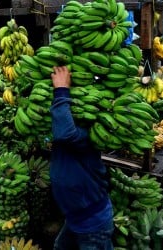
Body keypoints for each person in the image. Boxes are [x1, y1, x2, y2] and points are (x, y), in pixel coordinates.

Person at [49, 66, 114, 250]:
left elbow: (65, 134)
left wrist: (61, 91)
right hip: (75, 217)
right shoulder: (69, 131)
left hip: (92, 223)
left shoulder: (85, 135)